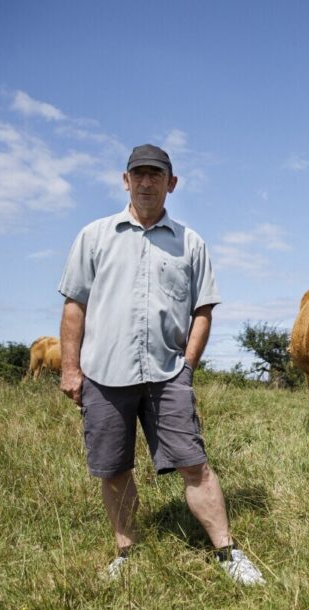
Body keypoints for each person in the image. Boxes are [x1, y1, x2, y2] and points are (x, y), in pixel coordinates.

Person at [58, 143, 265, 586]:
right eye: (139, 174)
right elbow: (75, 304)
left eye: (156, 175)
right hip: (104, 373)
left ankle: (227, 554)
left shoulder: (191, 242)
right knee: (113, 468)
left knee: (195, 464)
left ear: (171, 184)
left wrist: (187, 367)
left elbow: (203, 311)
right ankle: (127, 553)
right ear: (125, 180)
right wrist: (70, 368)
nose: (146, 182)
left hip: (168, 373)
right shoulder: (94, 236)